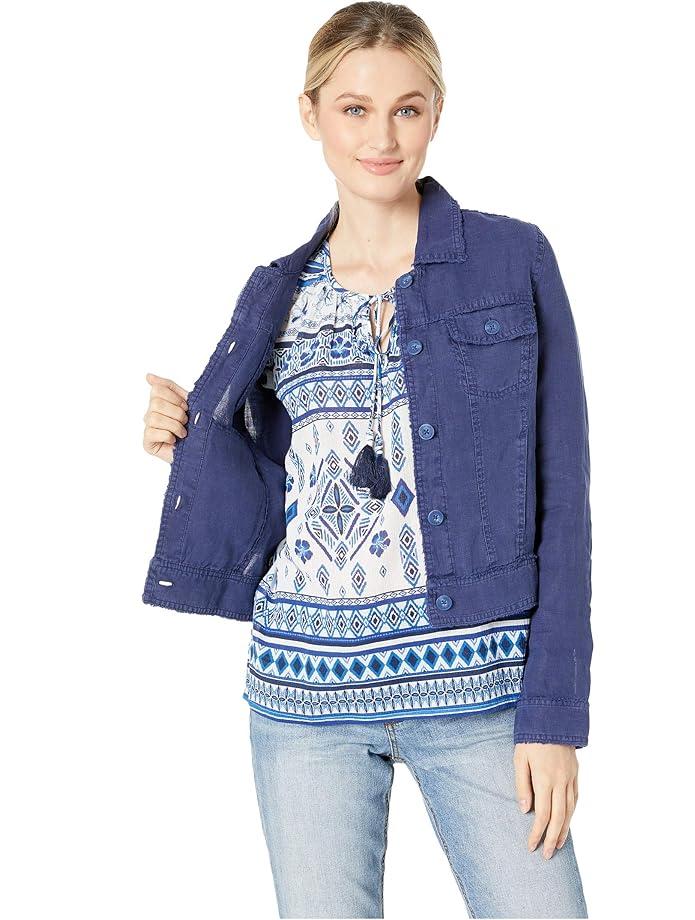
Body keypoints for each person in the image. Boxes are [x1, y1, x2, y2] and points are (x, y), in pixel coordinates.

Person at [141, 4, 591, 917]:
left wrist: (554, 713)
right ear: (310, 114)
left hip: (480, 694)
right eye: (354, 109)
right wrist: (188, 444)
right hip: (303, 703)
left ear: (437, 113)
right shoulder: (276, 292)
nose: (381, 138)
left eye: (406, 109)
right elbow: (280, 490)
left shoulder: (512, 258)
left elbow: (564, 494)